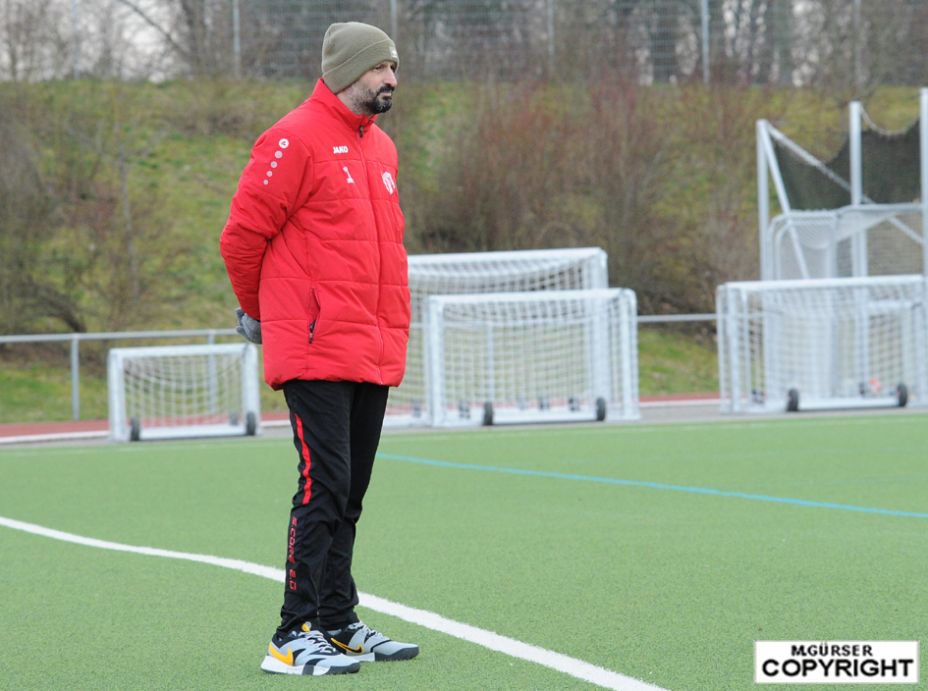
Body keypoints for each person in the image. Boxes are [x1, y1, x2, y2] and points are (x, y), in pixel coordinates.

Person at [219, 21, 416, 677]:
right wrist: (259, 313)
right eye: (380, 67)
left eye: (394, 67)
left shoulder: (381, 148)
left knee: (350, 492)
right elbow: (241, 238)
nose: (391, 78)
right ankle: (291, 633)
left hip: (372, 344)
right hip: (314, 346)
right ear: (347, 71)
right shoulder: (292, 138)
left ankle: (336, 622)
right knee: (323, 486)